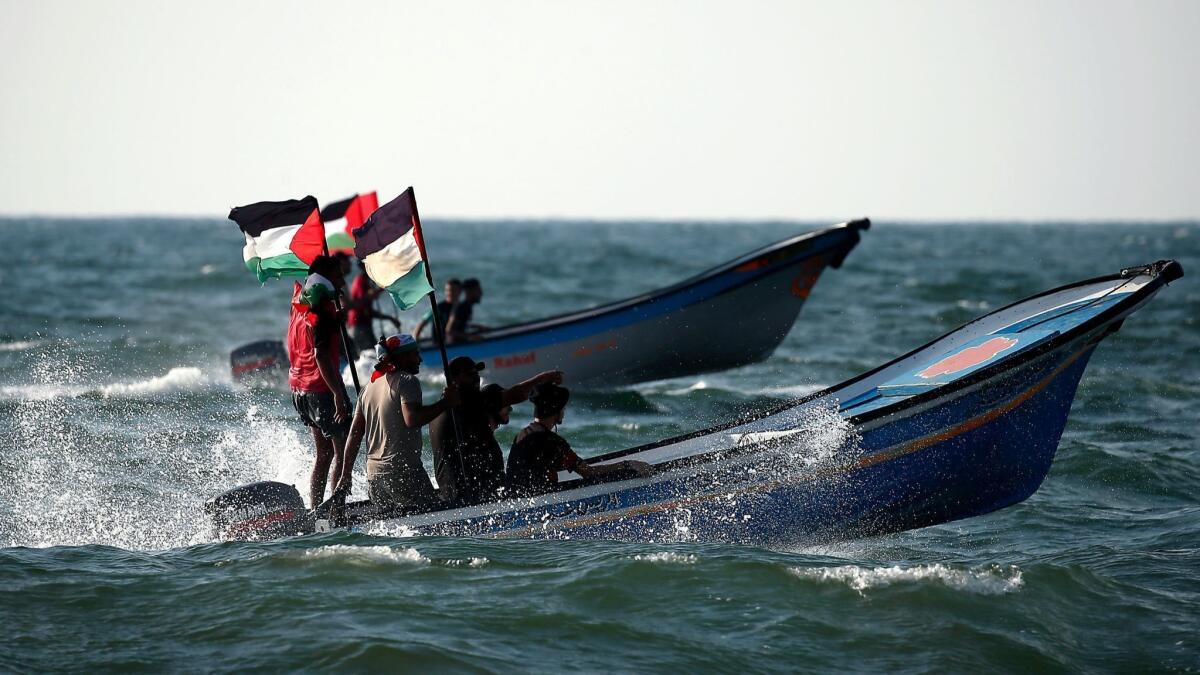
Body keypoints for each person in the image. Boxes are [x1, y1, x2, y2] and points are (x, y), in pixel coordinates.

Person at [340, 334, 459, 515]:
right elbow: (412, 419)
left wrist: (345, 474)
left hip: (374, 476)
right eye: (414, 354)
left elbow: (354, 435)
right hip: (403, 472)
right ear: (401, 357)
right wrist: (445, 403)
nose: (419, 359)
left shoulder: (367, 389)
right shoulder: (407, 381)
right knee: (434, 520)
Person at [429, 357, 563, 506]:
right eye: (469, 374)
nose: (477, 378)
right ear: (453, 380)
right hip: (471, 498)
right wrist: (543, 378)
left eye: (477, 373)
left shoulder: (442, 407)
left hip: (460, 496)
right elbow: (515, 395)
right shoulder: (465, 402)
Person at [507, 383, 654, 498]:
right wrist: (627, 464)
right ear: (556, 410)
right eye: (563, 409)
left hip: (520, 499)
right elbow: (588, 472)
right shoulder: (552, 442)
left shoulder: (521, 435)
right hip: (541, 504)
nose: (564, 413)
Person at [287, 255, 352, 508]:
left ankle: (317, 509)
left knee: (323, 455)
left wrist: (336, 317)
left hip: (300, 390)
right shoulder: (321, 312)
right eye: (339, 276)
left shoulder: (300, 302)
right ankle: (336, 511)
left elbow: (313, 332)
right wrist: (337, 393)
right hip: (322, 389)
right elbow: (321, 354)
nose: (343, 282)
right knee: (342, 455)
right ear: (326, 279)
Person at [346, 258, 397, 356]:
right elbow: (364, 302)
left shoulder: (366, 280)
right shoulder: (361, 281)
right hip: (359, 326)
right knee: (372, 356)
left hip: (363, 325)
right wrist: (384, 286)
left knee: (375, 354)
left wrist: (389, 318)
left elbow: (369, 309)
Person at [444, 278, 488, 344]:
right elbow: (449, 331)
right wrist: (470, 337)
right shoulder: (462, 308)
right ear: (470, 292)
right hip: (455, 347)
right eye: (478, 290)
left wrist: (477, 327)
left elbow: (460, 325)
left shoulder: (467, 307)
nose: (481, 293)